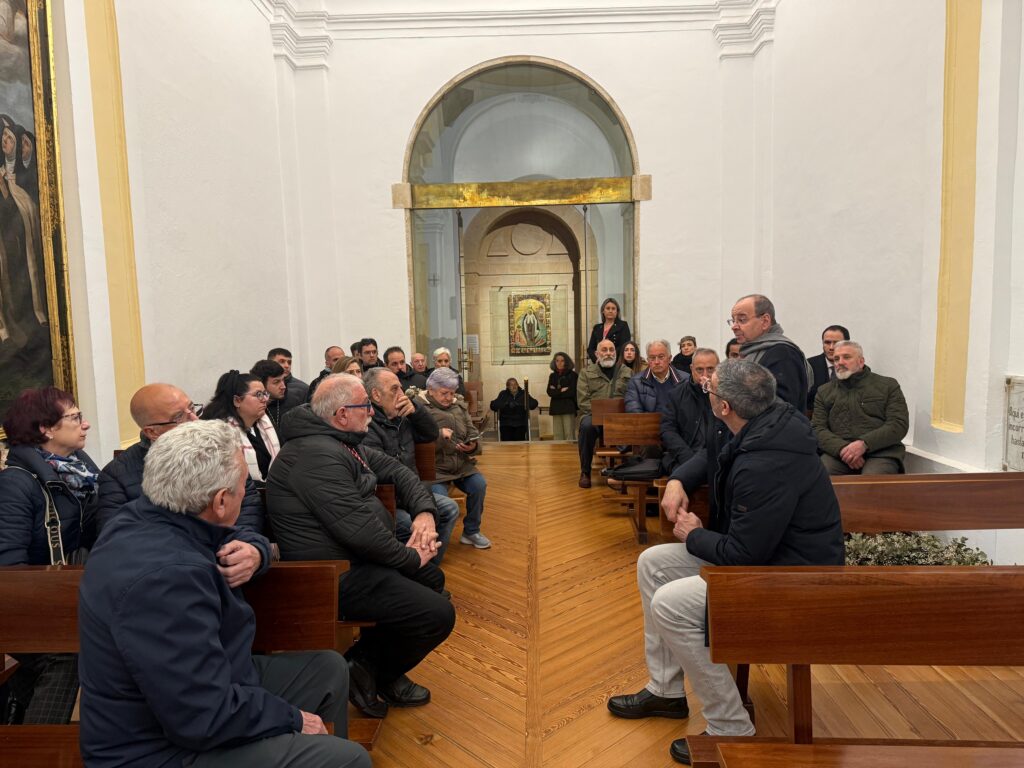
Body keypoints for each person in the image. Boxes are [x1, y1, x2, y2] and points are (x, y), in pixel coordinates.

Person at [79, 420, 370, 768]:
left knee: (326, 670)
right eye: (244, 486)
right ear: (220, 501)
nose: (246, 493)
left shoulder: (145, 517)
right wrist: (292, 718)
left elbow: (232, 538)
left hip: (206, 687)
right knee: (347, 759)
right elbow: (200, 716)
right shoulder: (167, 578)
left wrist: (257, 549)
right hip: (156, 748)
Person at [608, 360, 845, 765]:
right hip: (766, 559)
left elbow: (741, 556)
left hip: (793, 580)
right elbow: (711, 452)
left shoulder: (767, 463)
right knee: (654, 563)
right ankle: (666, 691)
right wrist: (680, 478)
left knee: (671, 603)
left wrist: (693, 534)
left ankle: (731, 725)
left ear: (725, 406)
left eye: (711, 387)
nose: (705, 387)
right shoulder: (761, 422)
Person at [268, 374, 454, 718]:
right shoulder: (316, 455)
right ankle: (368, 667)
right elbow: (361, 533)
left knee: (433, 583)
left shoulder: (340, 441)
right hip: (331, 576)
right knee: (437, 613)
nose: (371, 411)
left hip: (358, 561)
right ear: (341, 414)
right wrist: (411, 557)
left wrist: (425, 513)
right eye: (364, 405)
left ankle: (375, 669)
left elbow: (398, 471)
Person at [0, 387, 99, 724]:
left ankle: (21, 718)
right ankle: (37, 750)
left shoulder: (80, 473)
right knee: (67, 654)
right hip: (20, 604)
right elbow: (8, 570)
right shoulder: (16, 483)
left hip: (55, 597)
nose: (85, 425)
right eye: (74, 417)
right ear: (46, 428)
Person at [97, 382, 269, 559]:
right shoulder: (117, 475)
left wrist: (249, 548)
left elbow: (246, 502)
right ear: (152, 432)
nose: (195, 419)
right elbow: (118, 538)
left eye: (192, 408)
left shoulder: (223, 450)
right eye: (179, 417)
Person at [362, 367, 459, 563]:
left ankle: (430, 566)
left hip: (412, 491)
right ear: (376, 396)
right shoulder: (367, 426)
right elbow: (383, 473)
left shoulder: (403, 416)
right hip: (388, 499)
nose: (401, 395)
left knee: (449, 508)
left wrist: (417, 411)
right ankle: (415, 568)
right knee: (409, 524)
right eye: (395, 390)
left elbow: (430, 434)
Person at [812, 341, 909, 475]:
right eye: (836, 359)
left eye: (846, 357)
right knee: (821, 475)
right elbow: (817, 428)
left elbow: (898, 424)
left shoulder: (887, 386)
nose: (840, 362)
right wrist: (843, 449)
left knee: (871, 482)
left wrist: (864, 444)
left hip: (881, 452)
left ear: (861, 361)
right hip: (839, 453)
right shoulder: (824, 391)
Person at [420, 367, 491, 549]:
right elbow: (417, 443)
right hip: (436, 470)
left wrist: (472, 446)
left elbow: (473, 432)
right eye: (444, 393)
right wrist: (438, 435)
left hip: (461, 465)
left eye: (452, 393)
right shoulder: (420, 409)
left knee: (479, 485)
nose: (448, 397)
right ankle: (436, 541)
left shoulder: (458, 406)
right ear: (431, 390)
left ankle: (471, 531)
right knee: (441, 501)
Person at [728, 294, 809, 411]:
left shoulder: (783, 354)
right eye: (733, 320)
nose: (734, 327)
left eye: (741, 320)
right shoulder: (751, 351)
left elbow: (783, 408)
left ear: (765, 321)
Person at [202, 371, 280, 484]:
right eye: (258, 395)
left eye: (265, 393)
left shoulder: (264, 425)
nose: (265, 399)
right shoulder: (222, 434)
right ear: (237, 401)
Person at [576, 339, 632, 488]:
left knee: (637, 425)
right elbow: (583, 401)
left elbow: (632, 397)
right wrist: (602, 415)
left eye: (611, 350)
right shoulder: (586, 373)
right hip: (593, 416)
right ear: (596, 353)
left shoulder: (626, 372)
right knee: (586, 426)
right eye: (604, 350)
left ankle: (630, 470)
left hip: (620, 418)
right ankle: (585, 472)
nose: (608, 353)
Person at [660, 348, 718, 474]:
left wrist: (715, 393)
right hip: (686, 455)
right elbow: (668, 430)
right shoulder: (676, 394)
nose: (705, 375)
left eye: (710, 369)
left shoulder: (726, 395)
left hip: (717, 456)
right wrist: (688, 459)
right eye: (699, 369)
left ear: (718, 369)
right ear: (691, 368)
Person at [625, 340, 687, 416]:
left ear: (669, 358)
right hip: (647, 426)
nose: (656, 362)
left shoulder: (685, 380)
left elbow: (690, 412)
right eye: (652, 358)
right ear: (648, 360)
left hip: (677, 427)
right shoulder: (635, 382)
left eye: (661, 357)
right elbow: (634, 413)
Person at [807, 324, 850, 413]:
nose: (831, 347)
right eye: (827, 342)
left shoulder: (856, 368)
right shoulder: (809, 366)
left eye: (836, 343)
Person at [586, 297, 631, 363]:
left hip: (616, 363)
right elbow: (590, 349)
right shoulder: (597, 328)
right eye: (608, 308)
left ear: (617, 312)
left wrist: (608, 356)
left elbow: (623, 346)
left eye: (613, 309)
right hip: (598, 363)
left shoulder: (623, 325)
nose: (610, 311)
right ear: (603, 311)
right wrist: (597, 359)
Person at [547, 352, 578, 441]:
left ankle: (569, 454)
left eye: (562, 361)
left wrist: (555, 391)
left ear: (566, 362)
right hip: (556, 408)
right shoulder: (552, 376)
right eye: (557, 361)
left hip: (568, 407)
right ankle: (558, 454)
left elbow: (572, 392)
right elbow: (549, 392)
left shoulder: (573, 375)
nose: (559, 363)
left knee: (569, 434)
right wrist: (561, 390)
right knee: (557, 435)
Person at [250, 359, 290, 429]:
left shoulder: (293, 402)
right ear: (261, 384)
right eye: (276, 382)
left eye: (283, 380)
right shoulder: (251, 409)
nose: (283, 386)